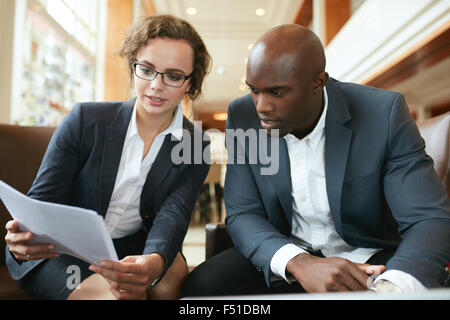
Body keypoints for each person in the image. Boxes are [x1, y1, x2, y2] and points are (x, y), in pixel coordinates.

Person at [181, 24, 450, 296]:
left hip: (370, 257)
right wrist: (298, 262)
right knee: (201, 288)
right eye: (254, 90)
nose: (261, 106)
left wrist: (392, 287)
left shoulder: (382, 113)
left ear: (317, 83)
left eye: (276, 92)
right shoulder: (242, 115)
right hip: (286, 252)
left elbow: (428, 218)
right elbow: (243, 213)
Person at [5, 14, 211, 300]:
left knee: (172, 276)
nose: (155, 85)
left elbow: (173, 215)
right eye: (147, 69)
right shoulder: (84, 120)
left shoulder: (195, 145)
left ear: (190, 83)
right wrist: (22, 239)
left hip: (134, 246)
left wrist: (154, 261)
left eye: (174, 76)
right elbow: (41, 203)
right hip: (61, 249)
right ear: (133, 66)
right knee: (116, 297)